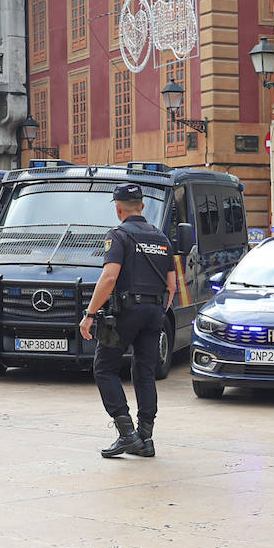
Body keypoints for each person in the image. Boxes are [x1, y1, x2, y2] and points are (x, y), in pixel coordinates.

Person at [80, 182, 176, 459]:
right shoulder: (161, 238)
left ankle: (126, 434)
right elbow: (171, 285)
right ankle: (145, 439)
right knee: (144, 372)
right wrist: (157, 309)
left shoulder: (118, 235)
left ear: (118, 208)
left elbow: (109, 277)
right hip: (155, 312)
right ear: (143, 207)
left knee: (104, 368)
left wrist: (89, 314)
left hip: (125, 313)